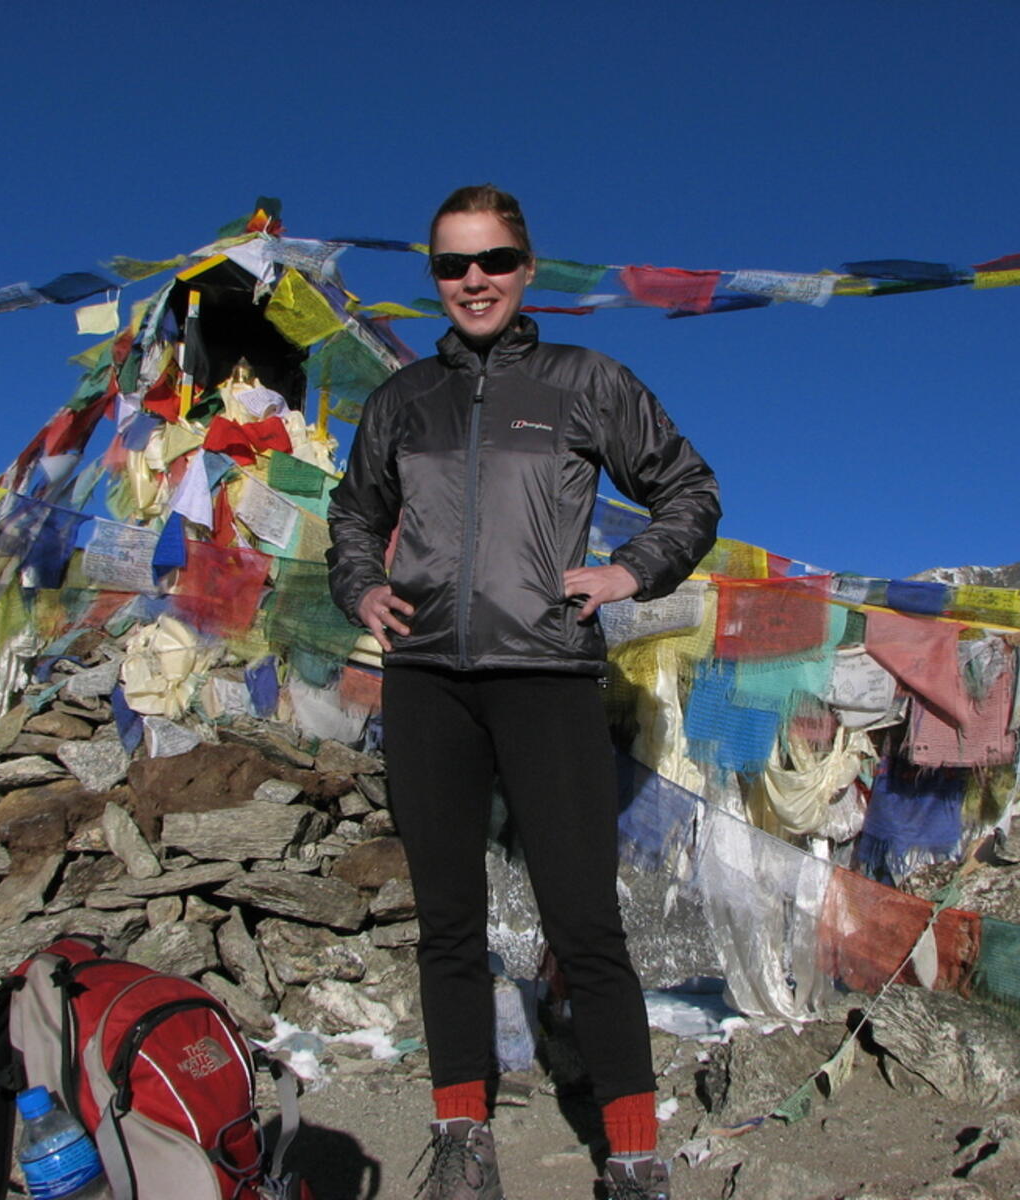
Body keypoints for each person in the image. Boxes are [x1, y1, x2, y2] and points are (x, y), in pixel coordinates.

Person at [326, 184, 720, 1200]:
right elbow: (351, 517)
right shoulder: (401, 401)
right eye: (452, 265)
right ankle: (463, 1141)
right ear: (433, 279)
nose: (473, 281)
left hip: (545, 675)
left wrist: (629, 571)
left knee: (584, 919)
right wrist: (361, 587)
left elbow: (688, 490)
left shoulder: (586, 382)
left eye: (492, 261)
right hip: (425, 685)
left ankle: (632, 1152)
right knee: (448, 922)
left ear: (527, 268)